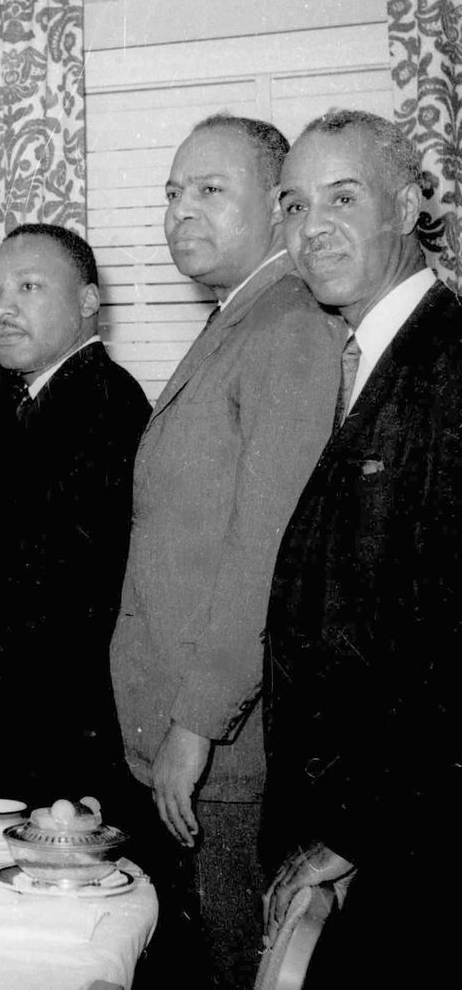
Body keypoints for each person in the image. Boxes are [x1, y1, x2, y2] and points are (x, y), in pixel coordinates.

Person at [108, 115, 343, 988]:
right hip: (194, 749)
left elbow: (263, 556)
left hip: (224, 759)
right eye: (172, 193)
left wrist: (196, 725)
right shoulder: (237, 320)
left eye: (210, 190)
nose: (180, 213)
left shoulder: (285, 327)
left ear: (280, 209)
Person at [262, 110, 462, 986]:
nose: (312, 230)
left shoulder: (450, 364)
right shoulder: (366, 358)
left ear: (413, 200)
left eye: (343, 198)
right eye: (295, 205)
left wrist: (352, 830)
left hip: (411, 847)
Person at [0, 224, 149, 807]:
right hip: (23, 740)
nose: (1, 309)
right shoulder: (25, 398)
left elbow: (64, 608)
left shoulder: (103, 406)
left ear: (89, 301)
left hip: (56, 748)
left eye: (29, 287)